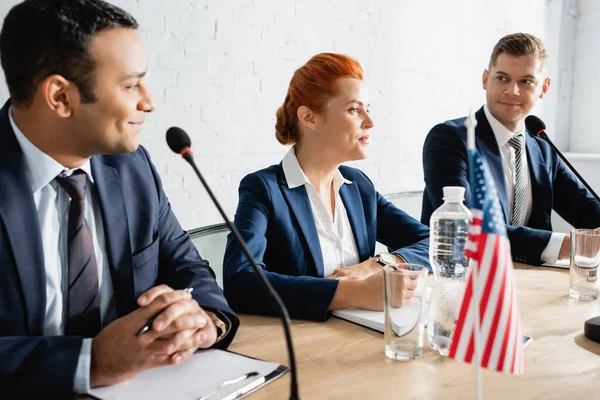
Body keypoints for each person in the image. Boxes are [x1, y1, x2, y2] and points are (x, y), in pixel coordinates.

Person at [0, 1, 238, 397]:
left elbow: (188, 266)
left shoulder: (133, 167)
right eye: (131, 85)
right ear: (60, 97)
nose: (149, 102)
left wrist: (205, 319)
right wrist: (89, 362)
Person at [223, 53, 430, 321]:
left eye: (368, 108)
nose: (369, 121)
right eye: (354, 110)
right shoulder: (264, 189)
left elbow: (432, 243)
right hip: (301, 343)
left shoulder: (359, 187)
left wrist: (376, 266)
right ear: (309, 118)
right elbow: (241, 281)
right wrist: (351, 292)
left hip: (363, 336)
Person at [421, 33, 600, 266]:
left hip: (532, 281)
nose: (512, 91)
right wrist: (567, 246)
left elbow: (587, 211)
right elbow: (468, 227)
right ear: (485, 79)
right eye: (502, 78)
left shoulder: (542, 147)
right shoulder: (450, 139)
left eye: (526, 81)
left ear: (544, 88)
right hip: (463, 279)